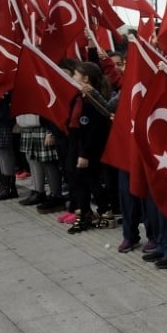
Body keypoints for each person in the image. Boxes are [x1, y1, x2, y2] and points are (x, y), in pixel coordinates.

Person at [65, 62, 113, 232]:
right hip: (75, 143)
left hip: (87, 147)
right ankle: (84, 212)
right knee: (78, 180)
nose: (73, 78)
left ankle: (105, 211)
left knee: (90, 179)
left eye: (75, 75)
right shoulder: (79, 97)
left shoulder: (92, 100)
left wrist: (84, 153)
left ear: (85, 78)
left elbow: (93, 130)